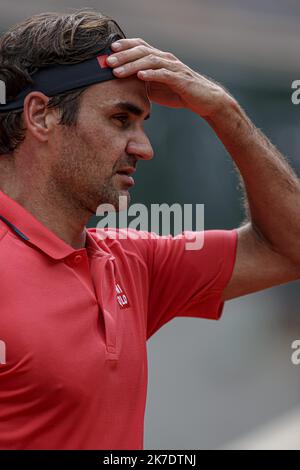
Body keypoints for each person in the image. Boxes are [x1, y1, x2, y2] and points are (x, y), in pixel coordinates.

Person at [0, 9, 299, 450]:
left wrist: (222, 110)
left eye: (142, 123)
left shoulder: (134, 262)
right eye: (122, 119)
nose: (145, 148)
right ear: (41, 115)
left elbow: (290, 248)